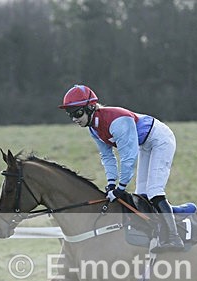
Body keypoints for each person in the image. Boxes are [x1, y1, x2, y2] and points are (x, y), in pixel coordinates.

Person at [59, 84, 185, 252]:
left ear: (91, 107)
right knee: (142, 195)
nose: (74, 118)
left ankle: (175, 239)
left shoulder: (118, 121)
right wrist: (111, 183)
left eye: (77, 113)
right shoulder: (93, 129)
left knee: (154, 191)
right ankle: (158, 232)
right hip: (145, 144)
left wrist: (121, 187)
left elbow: (128, 157)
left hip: (160, 140)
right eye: (70, 114)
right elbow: (107, 157)